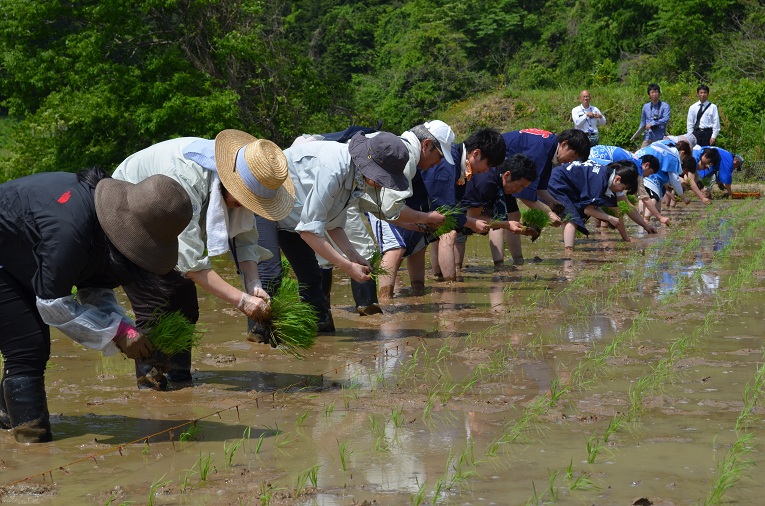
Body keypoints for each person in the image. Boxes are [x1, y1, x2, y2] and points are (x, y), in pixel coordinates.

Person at [0, 170, 192, 442]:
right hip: (5, 259)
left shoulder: (103, 230)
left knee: (26, 341)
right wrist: (118, 334)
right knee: (28, 346)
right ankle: (32, 445)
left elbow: (95, 291)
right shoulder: (69, 232)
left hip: (22, 254)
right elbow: (53, 306)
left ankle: (7, 418)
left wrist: (124, 328)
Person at [112, 130, 294, 390]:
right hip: (129, 208)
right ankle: (150, 382)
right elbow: (192, 265)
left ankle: (179, 377)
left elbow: (245, 241)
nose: (243, 208)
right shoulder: (186, 180)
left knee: (186, 303)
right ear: (231, 185)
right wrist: (242, 301)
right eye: (243, 201)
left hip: (168, 210)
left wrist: (254, 286)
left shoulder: (240, 174)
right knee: (154, 300)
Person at [270, 131, 409, 329]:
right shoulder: (334, 169)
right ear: (370, 164)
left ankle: (319, 345)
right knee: (270, 276)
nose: (382, 184)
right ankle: (260, 341)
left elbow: (332, 224)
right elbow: (309, 231)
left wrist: (353, 255)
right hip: (267, 205)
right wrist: (347, 266)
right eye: (383, 177)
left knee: (313, 281)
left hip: (293, 216)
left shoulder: (355, 175)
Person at [364, 121, 454, 299]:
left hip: (370, 200)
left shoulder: (407, 153)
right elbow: (389, 207)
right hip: (359, 196)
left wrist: (415, 224)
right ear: (426, 145)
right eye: (439, 155)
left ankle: (392, 298)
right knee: (394, 247)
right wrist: (427, 217)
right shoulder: (405, 157)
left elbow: (388, 208)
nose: (438, 162)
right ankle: (384, 302)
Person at [493, 129, 590, 267]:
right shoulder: (541, 151)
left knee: (513, 214)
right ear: (564, 144)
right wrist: (548, 213)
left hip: (503, 170)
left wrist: (553, 203)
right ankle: (501, 264)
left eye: (575, 159)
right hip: (495, 169)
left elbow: (539, 188)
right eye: (572, 155)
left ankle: (517, 261)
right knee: (503, 216)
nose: (571, 161)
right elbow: (525, 194)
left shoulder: (549, 148)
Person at [421, 129, 507, 281]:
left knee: (439, 234)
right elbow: (446, 210)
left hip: (421, 208)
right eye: (488, 166)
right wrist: (472, 222)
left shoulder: (459, 163)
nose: (486, 171)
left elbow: (451, 207)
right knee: (448, 233)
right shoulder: (449, 164)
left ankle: (439, 279)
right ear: (476, 153)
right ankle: (450, 286)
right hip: (402, 206)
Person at [547, 161, 639, 253]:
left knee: (569, 216)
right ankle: (569, 252)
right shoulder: (600, 182)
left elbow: (599, 208)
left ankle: (567, 245)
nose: (620, 191)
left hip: (564, 182)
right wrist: (609, 218)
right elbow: (588, 210)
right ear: (617, 179)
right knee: (573, 219)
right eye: (622, 188)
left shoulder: (607, 176)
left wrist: (626, 238)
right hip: (557, 182)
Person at [589, 144, 669, 226]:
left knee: (606, 198)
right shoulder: (637, 169)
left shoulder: (635, 158)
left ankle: (599, 227)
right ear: (646, 165)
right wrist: (660, 217)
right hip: (595, 160)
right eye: (650, 173)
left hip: (593, 151)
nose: (648, 176)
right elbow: (645, 198)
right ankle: (602, 227)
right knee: (609, 200)